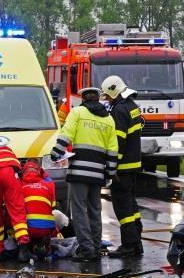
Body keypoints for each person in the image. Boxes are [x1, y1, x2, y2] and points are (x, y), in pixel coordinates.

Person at [50, 87, 118, 262]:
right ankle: (95, 247)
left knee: (79, 210)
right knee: (95, 210)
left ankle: (86, 250)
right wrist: (110, 172)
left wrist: (56, 154)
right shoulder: (109, 119)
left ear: (83, 99)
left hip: (79, 172)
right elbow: (112, 149)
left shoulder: (78, 113)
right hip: (98, 174)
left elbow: (66, 135)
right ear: (97, 98)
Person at [101, 75, 144, 257]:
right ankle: (136, 243)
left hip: (123, 167)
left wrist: (112, 166)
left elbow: (118, 142)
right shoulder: (133, 107)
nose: (107, 100)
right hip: (134, 165)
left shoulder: (119, 111)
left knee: (123, 207)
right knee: (132, 205)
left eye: (108, 96)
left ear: (114, 92)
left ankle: (128, 246)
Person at [0, 143, 33, 262]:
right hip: (10, 174)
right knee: (17, 210)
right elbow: (19, 172)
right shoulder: (8, 151)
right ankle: (23, 247)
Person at [21, 161, 58, 256]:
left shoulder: (20, 184)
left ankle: (28, 245)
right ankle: (44, 242)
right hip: (46, 229)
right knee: (57, 215)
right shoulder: (49, 184)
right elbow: (53, 205)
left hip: (27, 229)